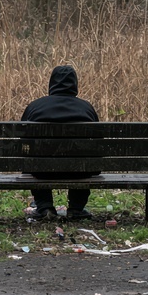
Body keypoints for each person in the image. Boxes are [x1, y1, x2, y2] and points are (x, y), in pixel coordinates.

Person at [22, 65, 100, 221]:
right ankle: (76, 209)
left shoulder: (35, 107)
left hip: (42, 170)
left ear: (51, 83)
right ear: (75, 84)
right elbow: (97, 144)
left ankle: (44, 207)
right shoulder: (86, 109)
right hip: (80, 170)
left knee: (33, 162)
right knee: (85, 161)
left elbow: (23, 142)